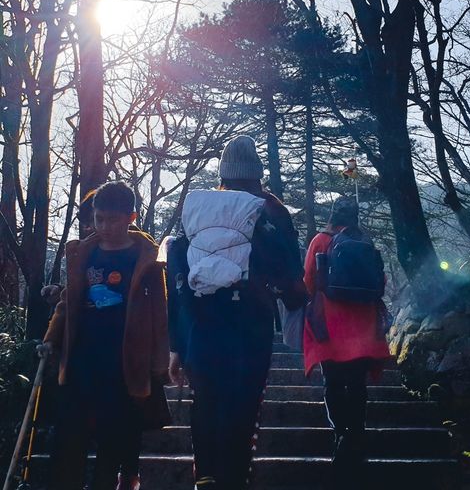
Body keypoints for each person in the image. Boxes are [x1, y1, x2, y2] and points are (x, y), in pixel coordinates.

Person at [167, 135, 305, 490]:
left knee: (207, 399)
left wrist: (177, 345)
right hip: (251, 324)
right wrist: (295, 305)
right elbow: (291, 272)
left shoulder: (197, 210)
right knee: (243, 404)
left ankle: (206, 475)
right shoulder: (270, 210)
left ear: (223, 173)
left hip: (201, 324)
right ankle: (235, 478)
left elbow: (177, 268)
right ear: (257, 172)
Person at [40, 180, 169, 490]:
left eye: (113, 219)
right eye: (99, 218)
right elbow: (68, 301)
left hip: (124, 364)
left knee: (114, 443)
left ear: (131, 218)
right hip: (82, 359)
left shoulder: (147, 259)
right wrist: (51, 338)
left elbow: (159, 313)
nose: (105, 226)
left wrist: (159, 364)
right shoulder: (83, 252)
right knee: (69, 437)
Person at [303, 197, 392, 485]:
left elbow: (308, 281)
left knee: (332, 382)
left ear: (331, 215)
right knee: (357, 384)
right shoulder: (365, 242)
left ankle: (341, 432)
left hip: (330, 324)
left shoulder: (320, 241)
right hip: (362, 324)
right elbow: (380, 282)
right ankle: (356, 433)